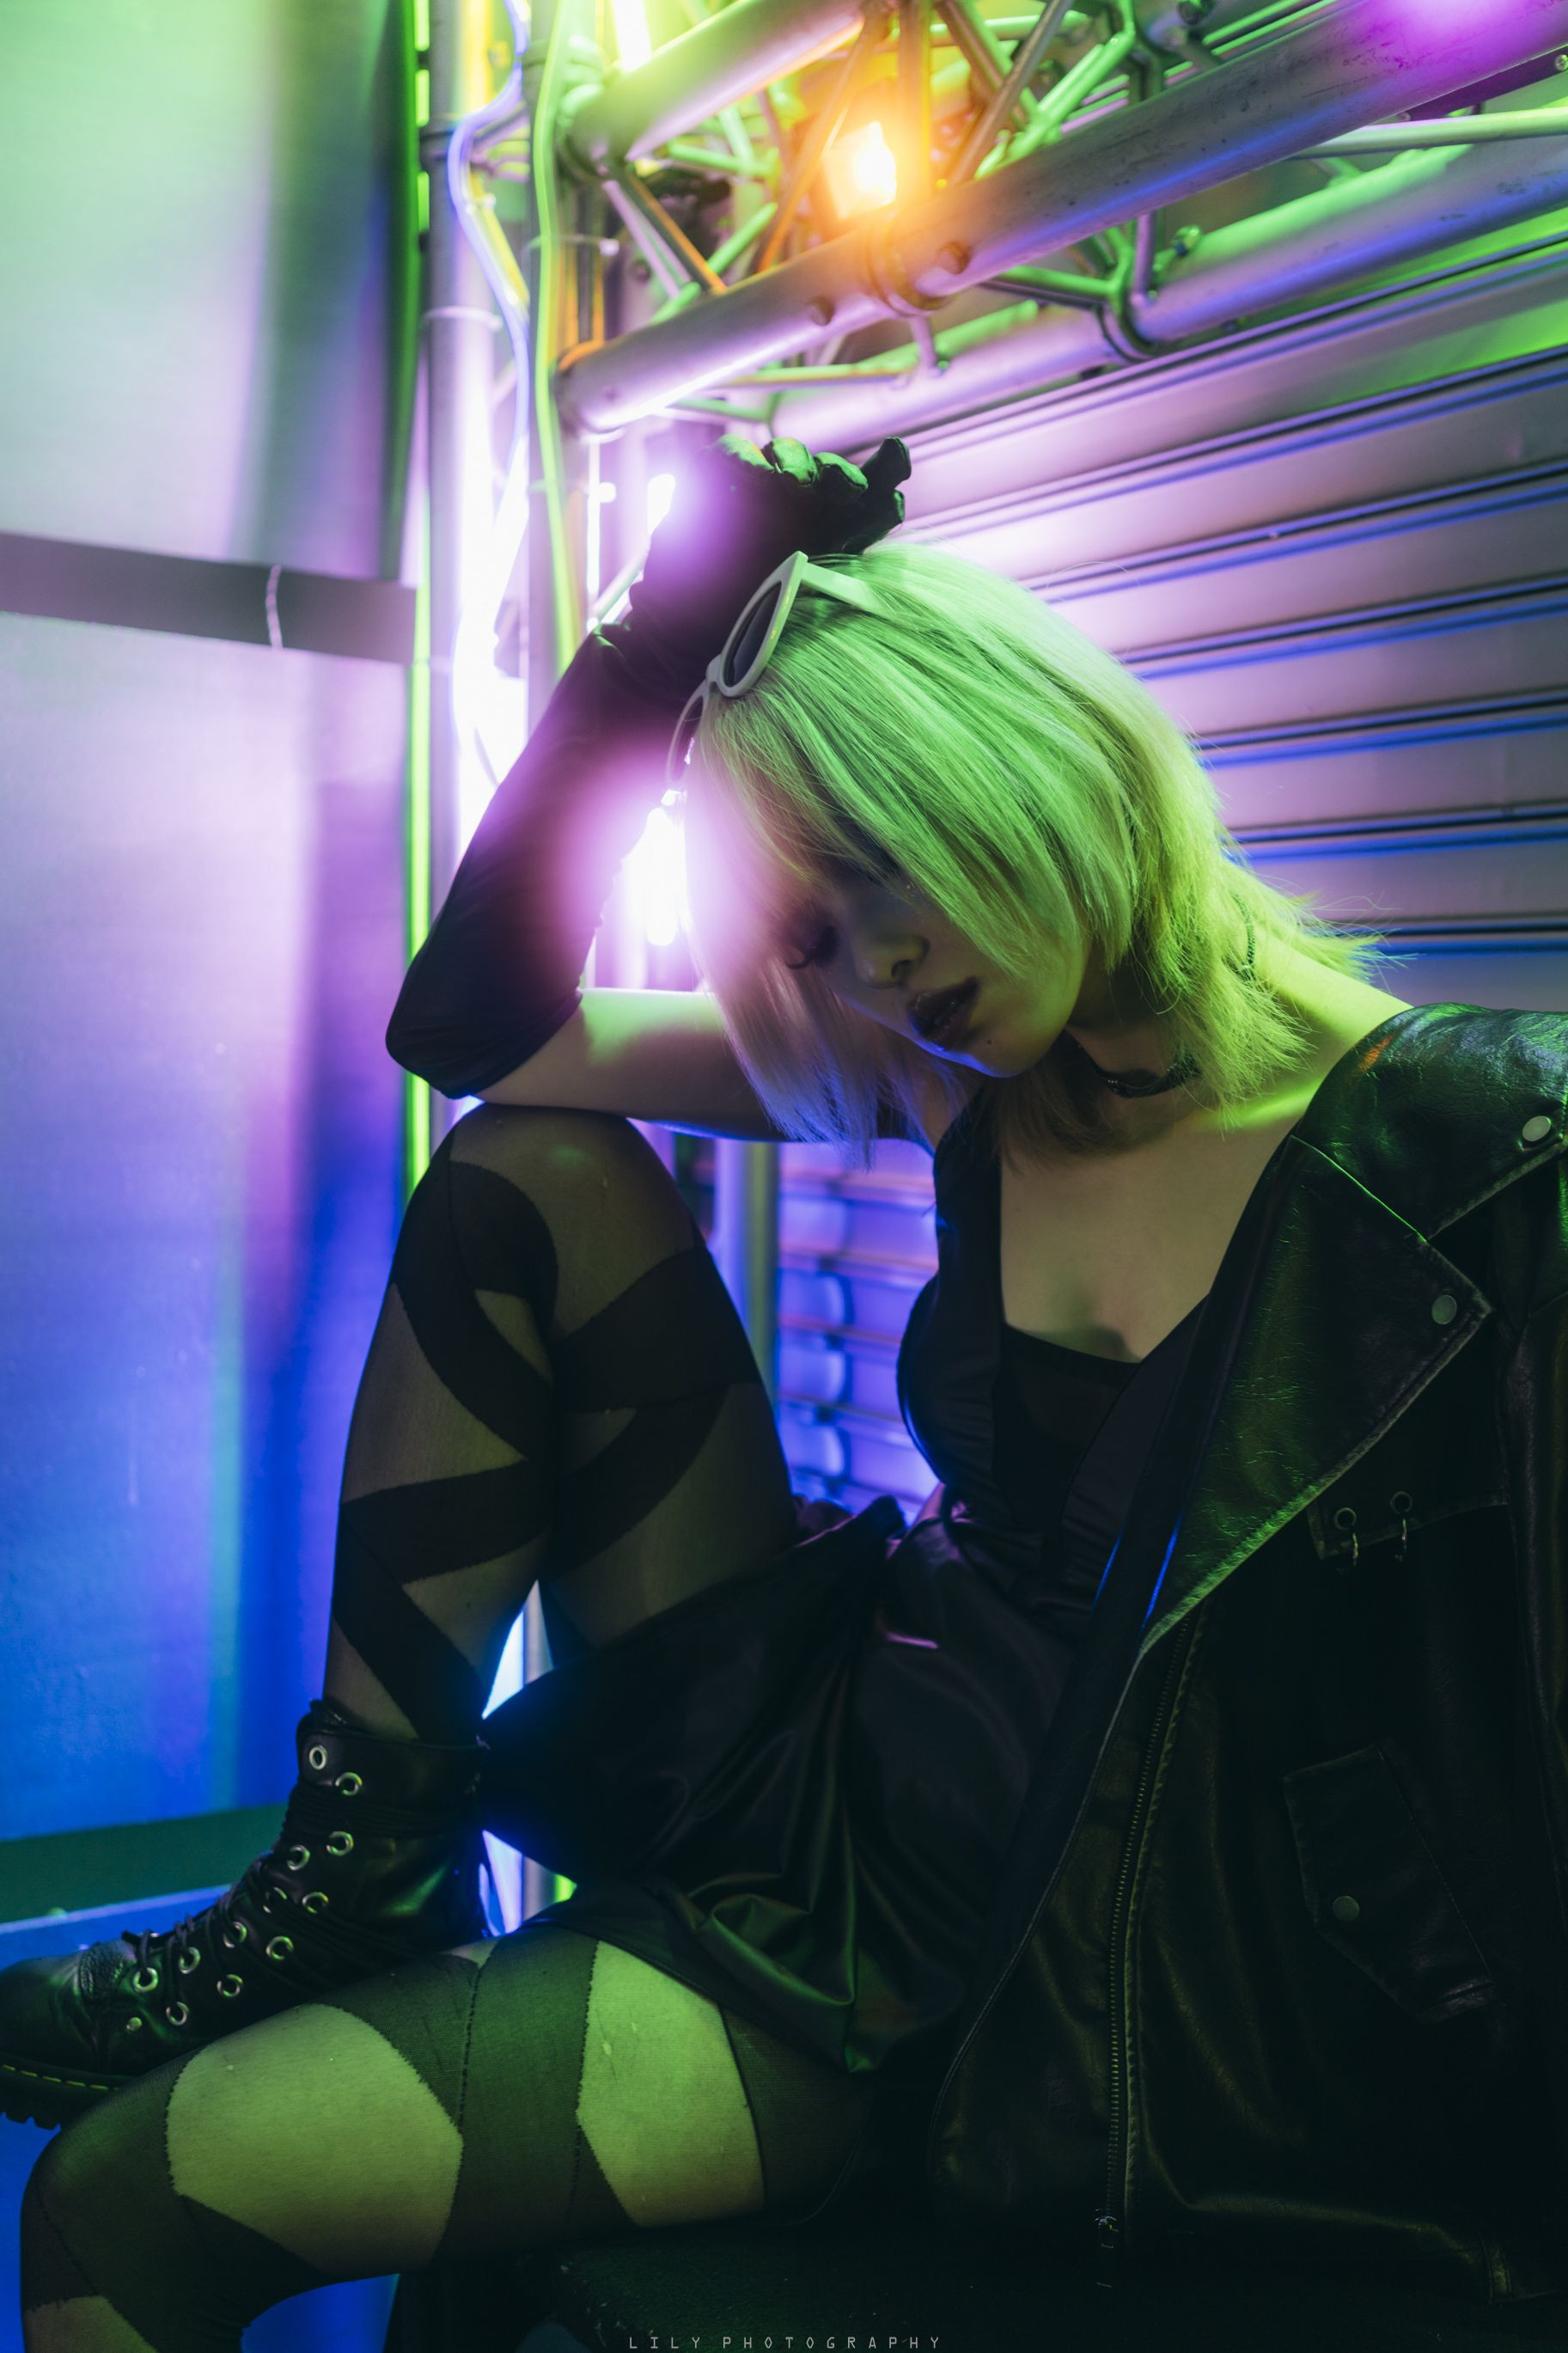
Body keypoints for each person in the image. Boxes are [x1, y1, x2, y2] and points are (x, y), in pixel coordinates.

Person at [11, 426, 1536, 2350]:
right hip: (829, 1804)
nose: (879, 964)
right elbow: (471, 1033)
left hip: (1041, 1971)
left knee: (126, 2200)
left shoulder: (1481, 1154)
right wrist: (649, 656)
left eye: (888, 865)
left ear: (1022, 767)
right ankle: (367, 1862)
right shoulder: (960, 1082)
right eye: (810, 934)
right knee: (524, 1171)